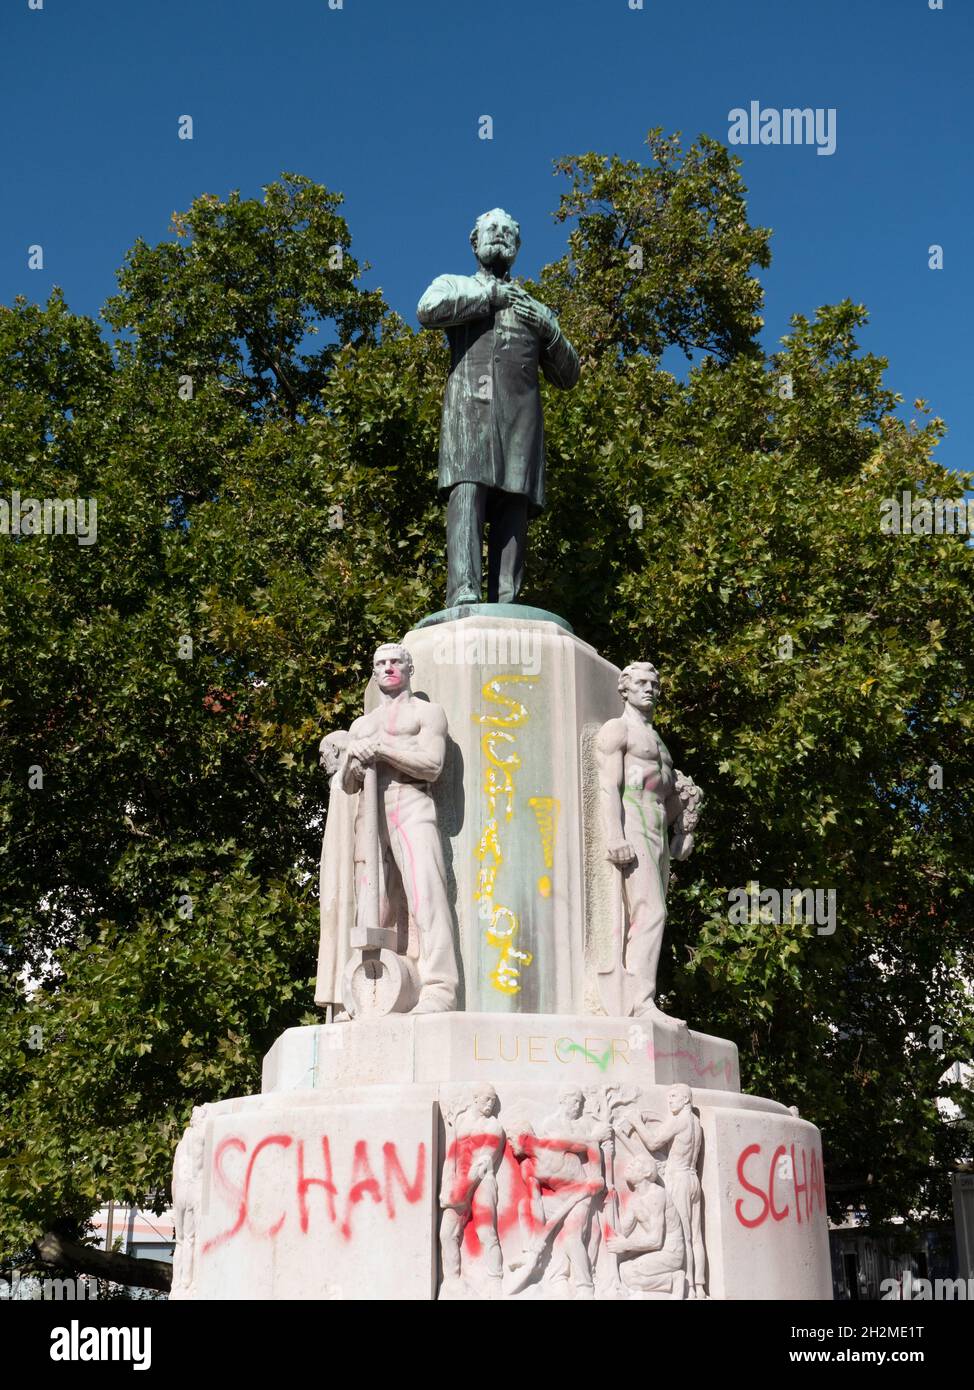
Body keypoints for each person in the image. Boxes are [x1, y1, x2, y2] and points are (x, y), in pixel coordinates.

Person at [417, 208, 579, 608]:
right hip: (469, 413)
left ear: (519, 246)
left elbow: (568, 375)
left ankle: (507, 599)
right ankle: (464, 591)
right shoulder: (454, 284)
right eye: (492, 230)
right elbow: (427, 310)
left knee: (514, 506)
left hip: (521, 421)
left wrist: (550, 329)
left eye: (509, 232)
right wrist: (490, 297)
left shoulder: (535, 309)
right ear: (475, 242)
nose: (501, 236)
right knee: (467, 494)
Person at [341, 643, 459, 1012]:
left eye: (395, 662)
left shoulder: (427, 713)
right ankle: (373, 992)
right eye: (381, 663)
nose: (388, 668)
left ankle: (439, 988)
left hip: (411, 803)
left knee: (427, 896)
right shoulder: (362, 725)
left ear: (409, 668)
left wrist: (381, 751)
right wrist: (355, 764)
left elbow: (432, 765)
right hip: (371, 812)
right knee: (372, 908)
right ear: (373, 674)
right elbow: (346, 784)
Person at [595, 661, 702, 1019]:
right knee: (651, 911)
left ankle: (640, 997)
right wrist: (614, 835)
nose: (649, 689)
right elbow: (609, 784)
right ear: (624, 689)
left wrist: (684, 824)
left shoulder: (659, 741)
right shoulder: (618, 730)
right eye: (640, 683)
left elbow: (668, 794)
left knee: (654, 912)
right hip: (634, 823)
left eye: (654, 684)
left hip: (657, 826)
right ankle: (639, 1002)